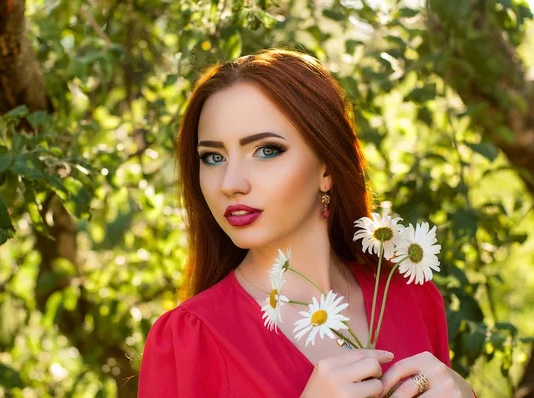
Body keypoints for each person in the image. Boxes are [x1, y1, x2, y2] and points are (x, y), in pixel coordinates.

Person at [137, 48, 476, 397]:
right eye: (213, 157)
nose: (230, 182)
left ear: (326, 167)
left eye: (266, 150)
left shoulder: (414, 298)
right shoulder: (188, 340)